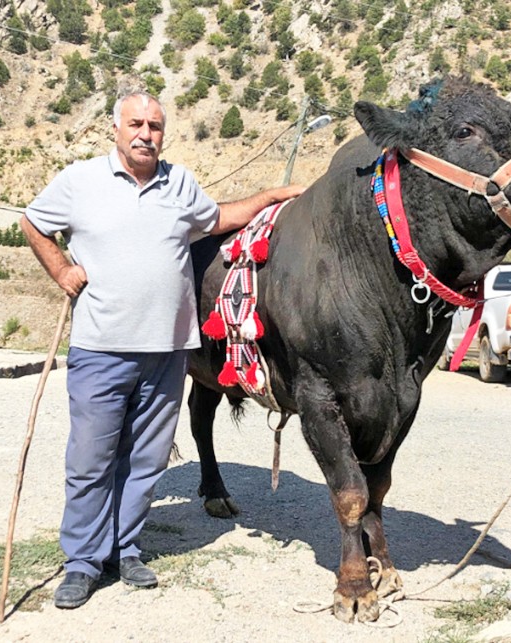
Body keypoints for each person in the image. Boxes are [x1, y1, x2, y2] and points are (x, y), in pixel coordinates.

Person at [21, 90, 304, 609]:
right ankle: (83, 562)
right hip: (101, 349)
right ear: (116, 128)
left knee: (146, 460)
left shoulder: (180, 183)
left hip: (167, 351)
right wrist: (61, 268)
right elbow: (33, 223)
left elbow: (217, 218)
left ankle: (126, 548)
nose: (145, 133)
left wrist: (265, 198)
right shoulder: (80, 181)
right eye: (136, 123)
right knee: (90, 460)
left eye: (154, 125)